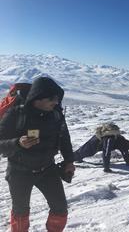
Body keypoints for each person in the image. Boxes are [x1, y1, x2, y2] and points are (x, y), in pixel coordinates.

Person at [0, 77, 75, 232]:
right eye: (52, 99)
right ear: (38, 98)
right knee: (20, 213)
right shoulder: (16, 114)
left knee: (60, 210)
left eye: (57, 98)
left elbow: (64, 138)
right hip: (19, 171)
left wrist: (69, 161)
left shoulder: (56, 114)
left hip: (47, 169)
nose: (56, 102)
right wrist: (17, 143)